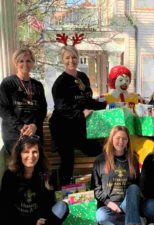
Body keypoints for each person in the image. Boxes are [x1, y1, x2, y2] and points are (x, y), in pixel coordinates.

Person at [49, 45, 106, 185]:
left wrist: (106, 105)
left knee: (99, 152)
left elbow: (87, 101)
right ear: (62, 60)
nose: (71, 61)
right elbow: (62, 108)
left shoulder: (82, 77)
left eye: (74, 57)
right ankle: (62, 193)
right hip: (63, 129)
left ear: (78, 58)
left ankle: (98, 186)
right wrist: (80, 114)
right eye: (67, 57)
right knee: (68, 160)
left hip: (80, 128)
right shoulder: (60, 83)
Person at [0, 135, 69, 225]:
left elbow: (47, 205)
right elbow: (6, 209)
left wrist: (41, 220)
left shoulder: (44, 173)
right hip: (19, 220)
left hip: (39, 219)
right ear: (19, 154)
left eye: (34, 152)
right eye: (26, 152)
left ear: (39, 154)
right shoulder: (10, 176)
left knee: (62, 206)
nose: (31, 156)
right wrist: (31, 222)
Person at [0, 48, 47, 154]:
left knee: (35, 166)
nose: (25, 64)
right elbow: (3, 109)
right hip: (14, 135)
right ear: (16, 63)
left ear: (33, 63)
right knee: (17, 167)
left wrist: (34, 125)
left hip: (34, 132)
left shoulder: (37, 85)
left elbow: (42, 109)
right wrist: (20, 126)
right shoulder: (8, 83)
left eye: (28, 61)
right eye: (21, 61)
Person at [91, 126, 141, 225]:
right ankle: (126, 220)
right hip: (108, 206)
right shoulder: (100, 160)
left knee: (134, 188)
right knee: (101, 216)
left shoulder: (133, 159)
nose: (121, 141)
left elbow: (137, 185)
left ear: (128, 141)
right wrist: (108, 202)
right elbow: (96, 188)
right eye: (117, 138)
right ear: (111, 139)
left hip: (128, 205)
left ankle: (130, 222)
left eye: (124, 139)